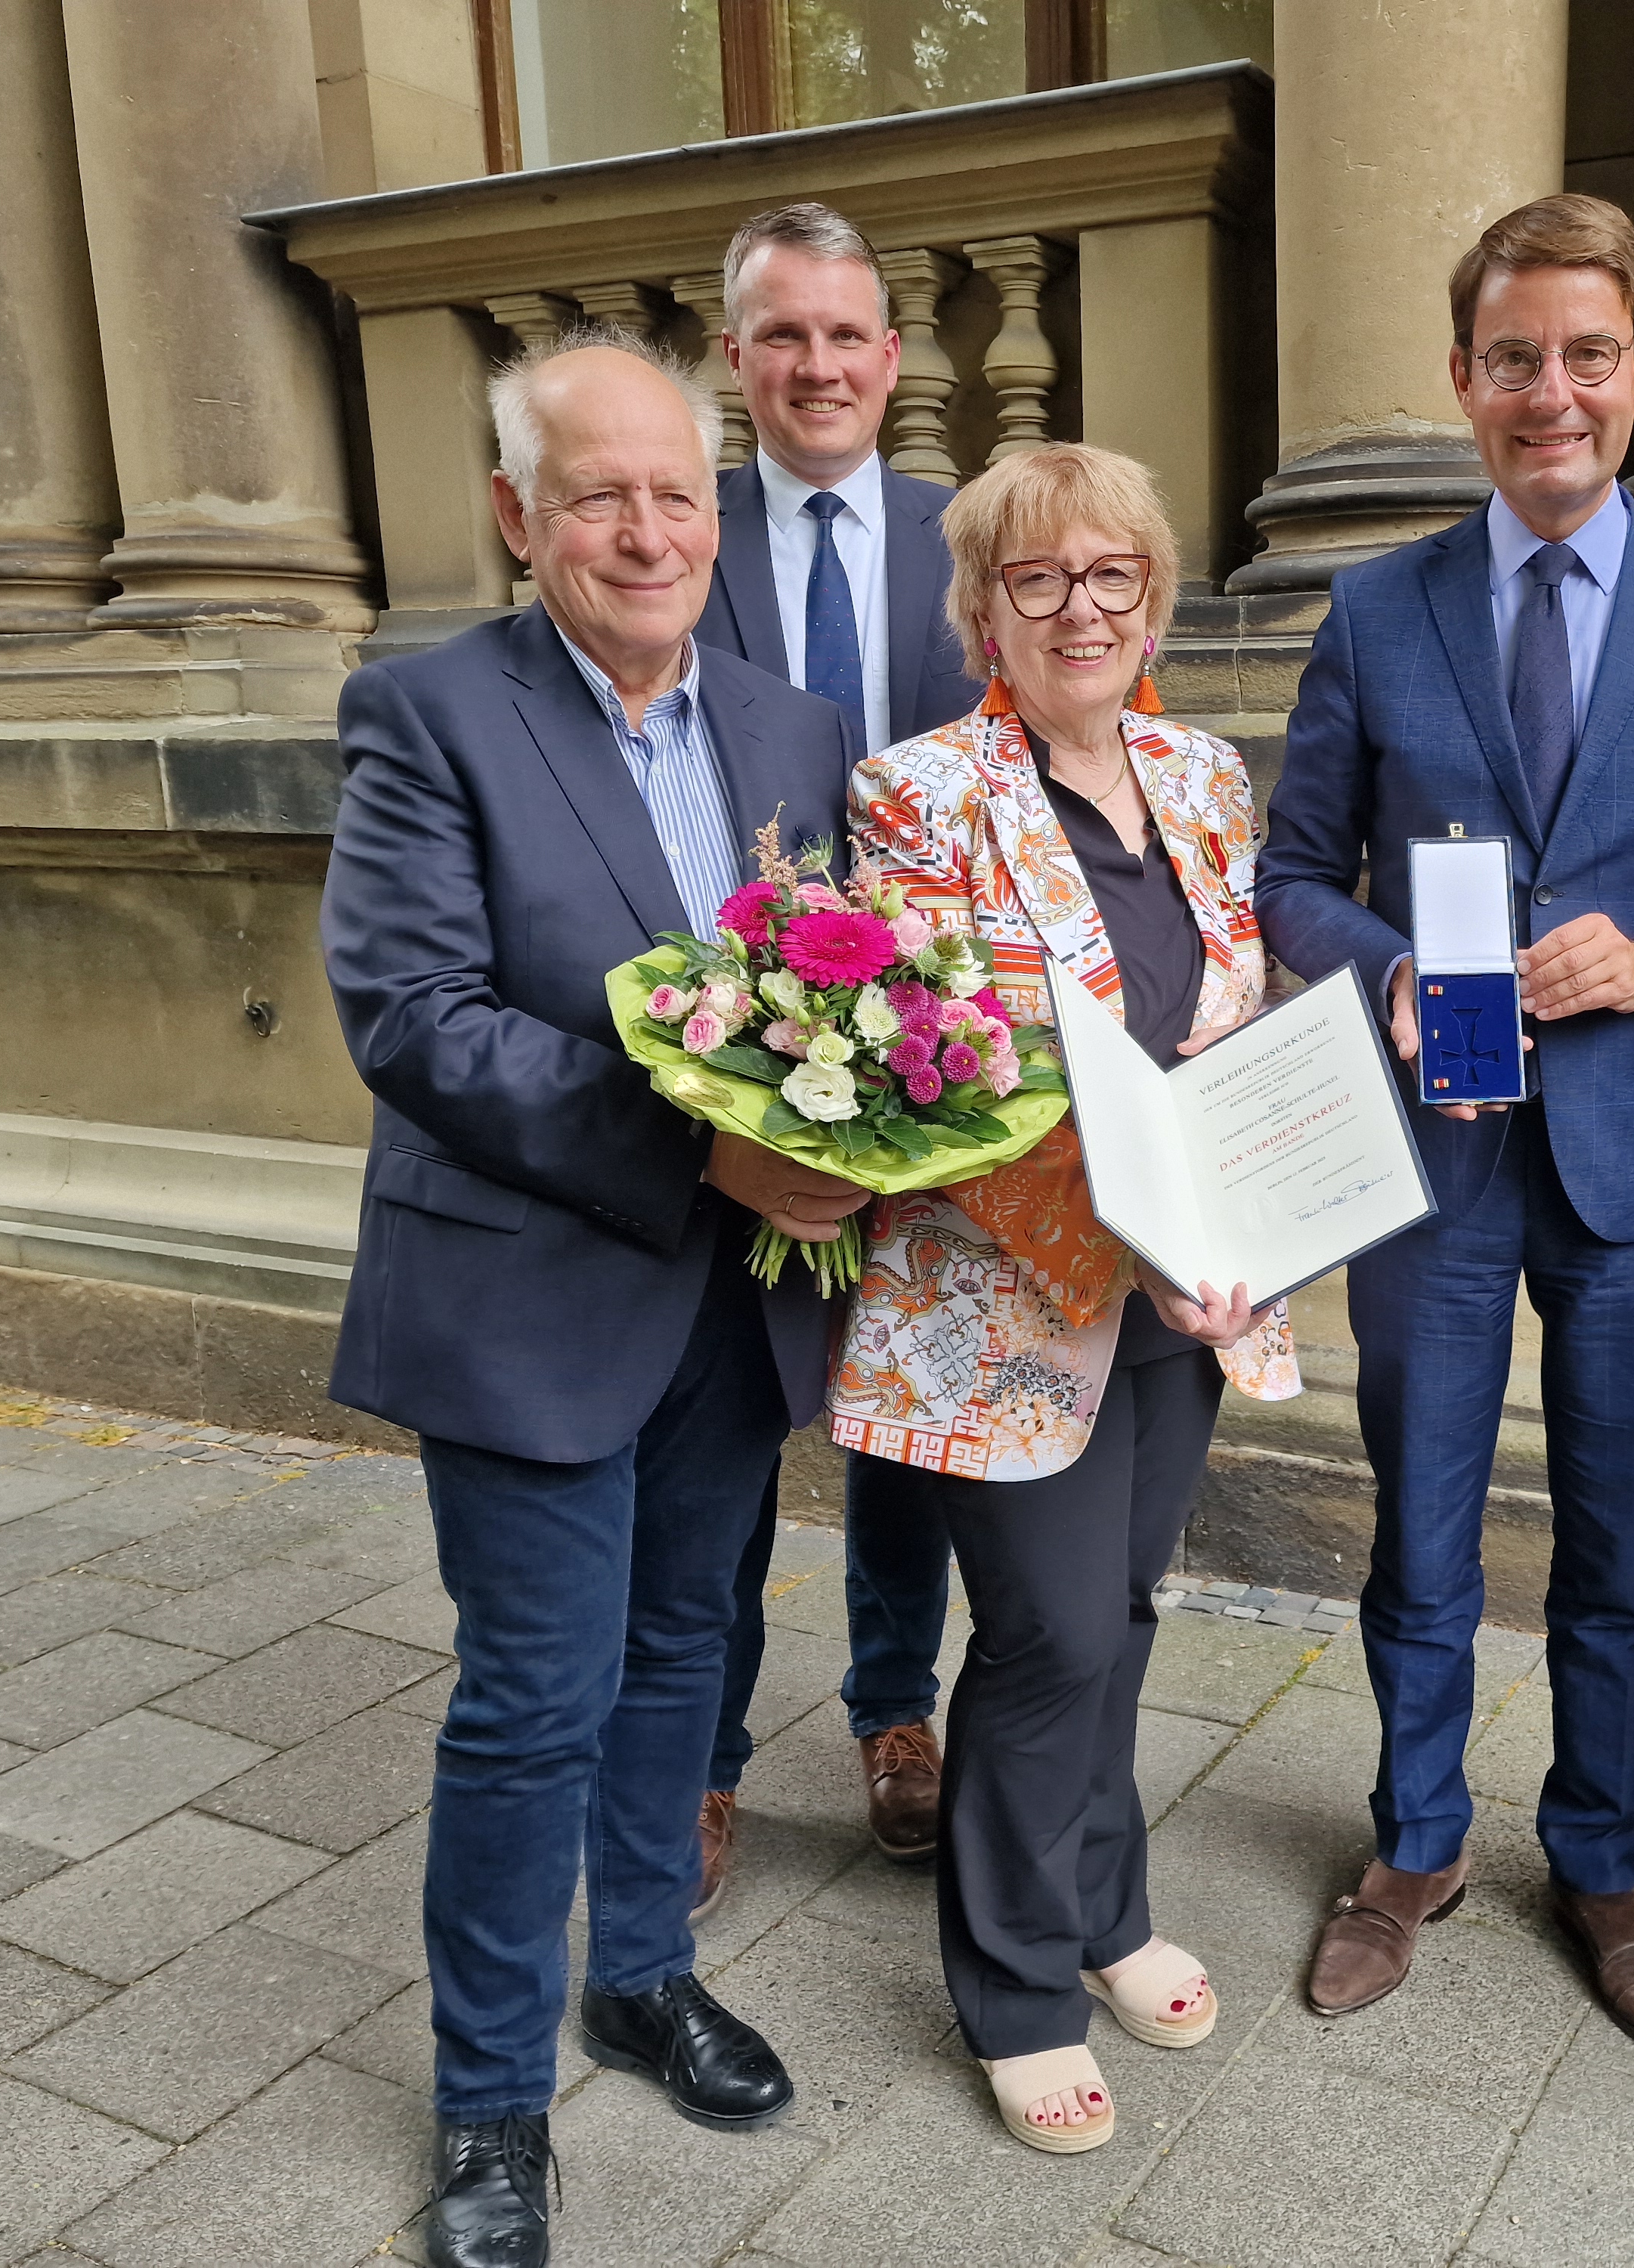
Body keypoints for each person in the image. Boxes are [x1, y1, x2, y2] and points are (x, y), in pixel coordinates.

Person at [1256, 194, 1634, 2056]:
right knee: (1419, 1524)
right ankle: (1413, 1843)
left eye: (1587, 355)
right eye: (1513, 358)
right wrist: (1385, 975)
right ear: (1462, 378)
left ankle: (1598, 1859)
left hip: (1631, 1152)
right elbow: (1290, 877)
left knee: (1613, 1540)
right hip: (1428, 1150)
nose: (1550, 393)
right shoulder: (1377, 605)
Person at [321, 328, 872, 2268]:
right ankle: (488, 2099)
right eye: (594, 497)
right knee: (531, 1702)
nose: (645, 533)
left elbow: (833, 989)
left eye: (672, 493)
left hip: (730, 1302)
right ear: (514, 514)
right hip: (531, 1297)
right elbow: (415, 1018)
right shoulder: (426, 712)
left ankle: (637, 1976)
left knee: (680, 1660)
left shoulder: (793, 730)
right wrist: (709, 1153)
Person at [833, 442, 1299, 2152]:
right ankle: (1018, 1983)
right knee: (1046, 1635)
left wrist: (1243, 1201)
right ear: (983, 612)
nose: (1078, 609)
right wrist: (1142, 1229)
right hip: (1010, 1289)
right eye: (1036, 579)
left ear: (1152, 598)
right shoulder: (915, 794)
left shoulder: (1203, 773)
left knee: (1124, 1607)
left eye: (1111, 575)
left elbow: (1243, 1015)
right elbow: (941, 1075)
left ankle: (1107, 1909)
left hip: (1196, 1291)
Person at [689, 200, 981, 1902]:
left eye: (846, 332)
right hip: (739, 1053)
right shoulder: (677, 530)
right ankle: (702, 1758)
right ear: (736, 356)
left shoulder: (971, 535)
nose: (818, 365)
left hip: (941, 1051)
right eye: (782, 334)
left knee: (900, 1413)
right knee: (728, 1420)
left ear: (893, 354)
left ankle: (894, 1713)